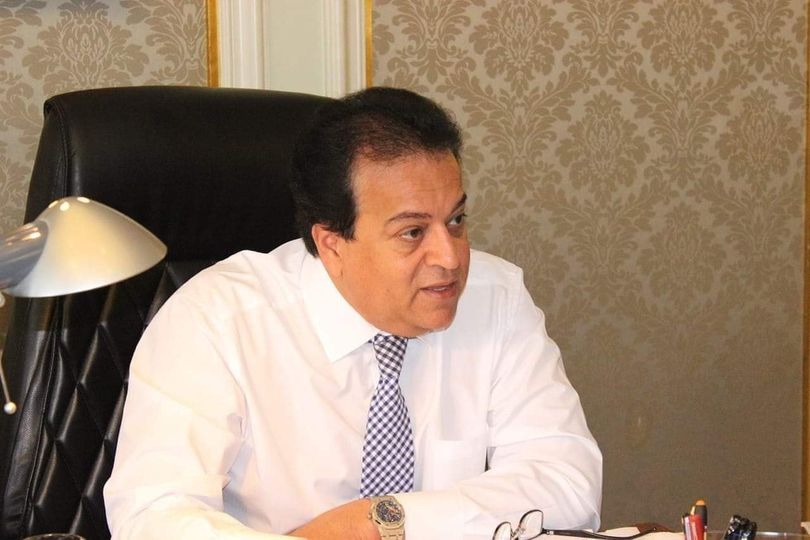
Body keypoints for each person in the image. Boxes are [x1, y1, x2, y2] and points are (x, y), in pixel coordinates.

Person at [104, 87, 602, 540]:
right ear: (331, 244)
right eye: (413, 232)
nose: (450, 258)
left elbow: (566, 481)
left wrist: (379, 522)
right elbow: (153, 515)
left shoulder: (496, 298)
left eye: (456, 221)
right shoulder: (216, 321)